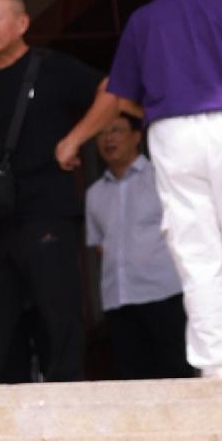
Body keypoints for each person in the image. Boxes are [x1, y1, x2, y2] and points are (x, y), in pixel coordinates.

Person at [56, 0, 222, 378]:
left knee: (195, 248)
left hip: (172, 133)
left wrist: (78, 137)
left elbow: (118, 95)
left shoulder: (144, 22)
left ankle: (217, 364)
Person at [0, 0, 96, 386]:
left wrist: (74, 141)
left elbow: (109, 92)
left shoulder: (51, 66)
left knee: (58, 308)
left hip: (46, 209)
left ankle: (68, 390)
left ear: (22, 23)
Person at [82, 107, 188, 375]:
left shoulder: (160, 178)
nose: (108, 139)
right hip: (118, 299)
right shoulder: (94, 194)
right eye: (102, 134)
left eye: (116, 130)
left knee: (176, 373)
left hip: (163, 294)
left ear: (136, 136)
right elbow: (99, 245)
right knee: (132, 379)